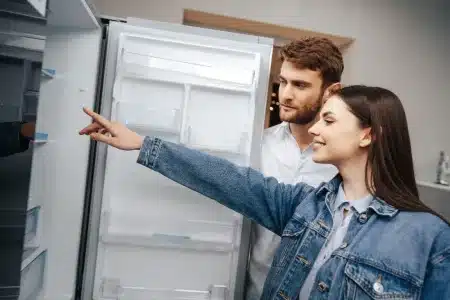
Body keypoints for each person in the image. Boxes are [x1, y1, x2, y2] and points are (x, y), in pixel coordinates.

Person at [79, 85, 450, 299]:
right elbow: (230, 180)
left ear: (369, 134)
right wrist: (143, 144)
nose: (316, 128)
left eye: (329, 120)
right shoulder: (306, 206)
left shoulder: (429, 237)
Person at [247, 38, 342, 300]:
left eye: (300, 85)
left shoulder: (343, 160)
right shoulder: (258, 144)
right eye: (283, 81)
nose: (285, 94)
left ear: (331, 92)